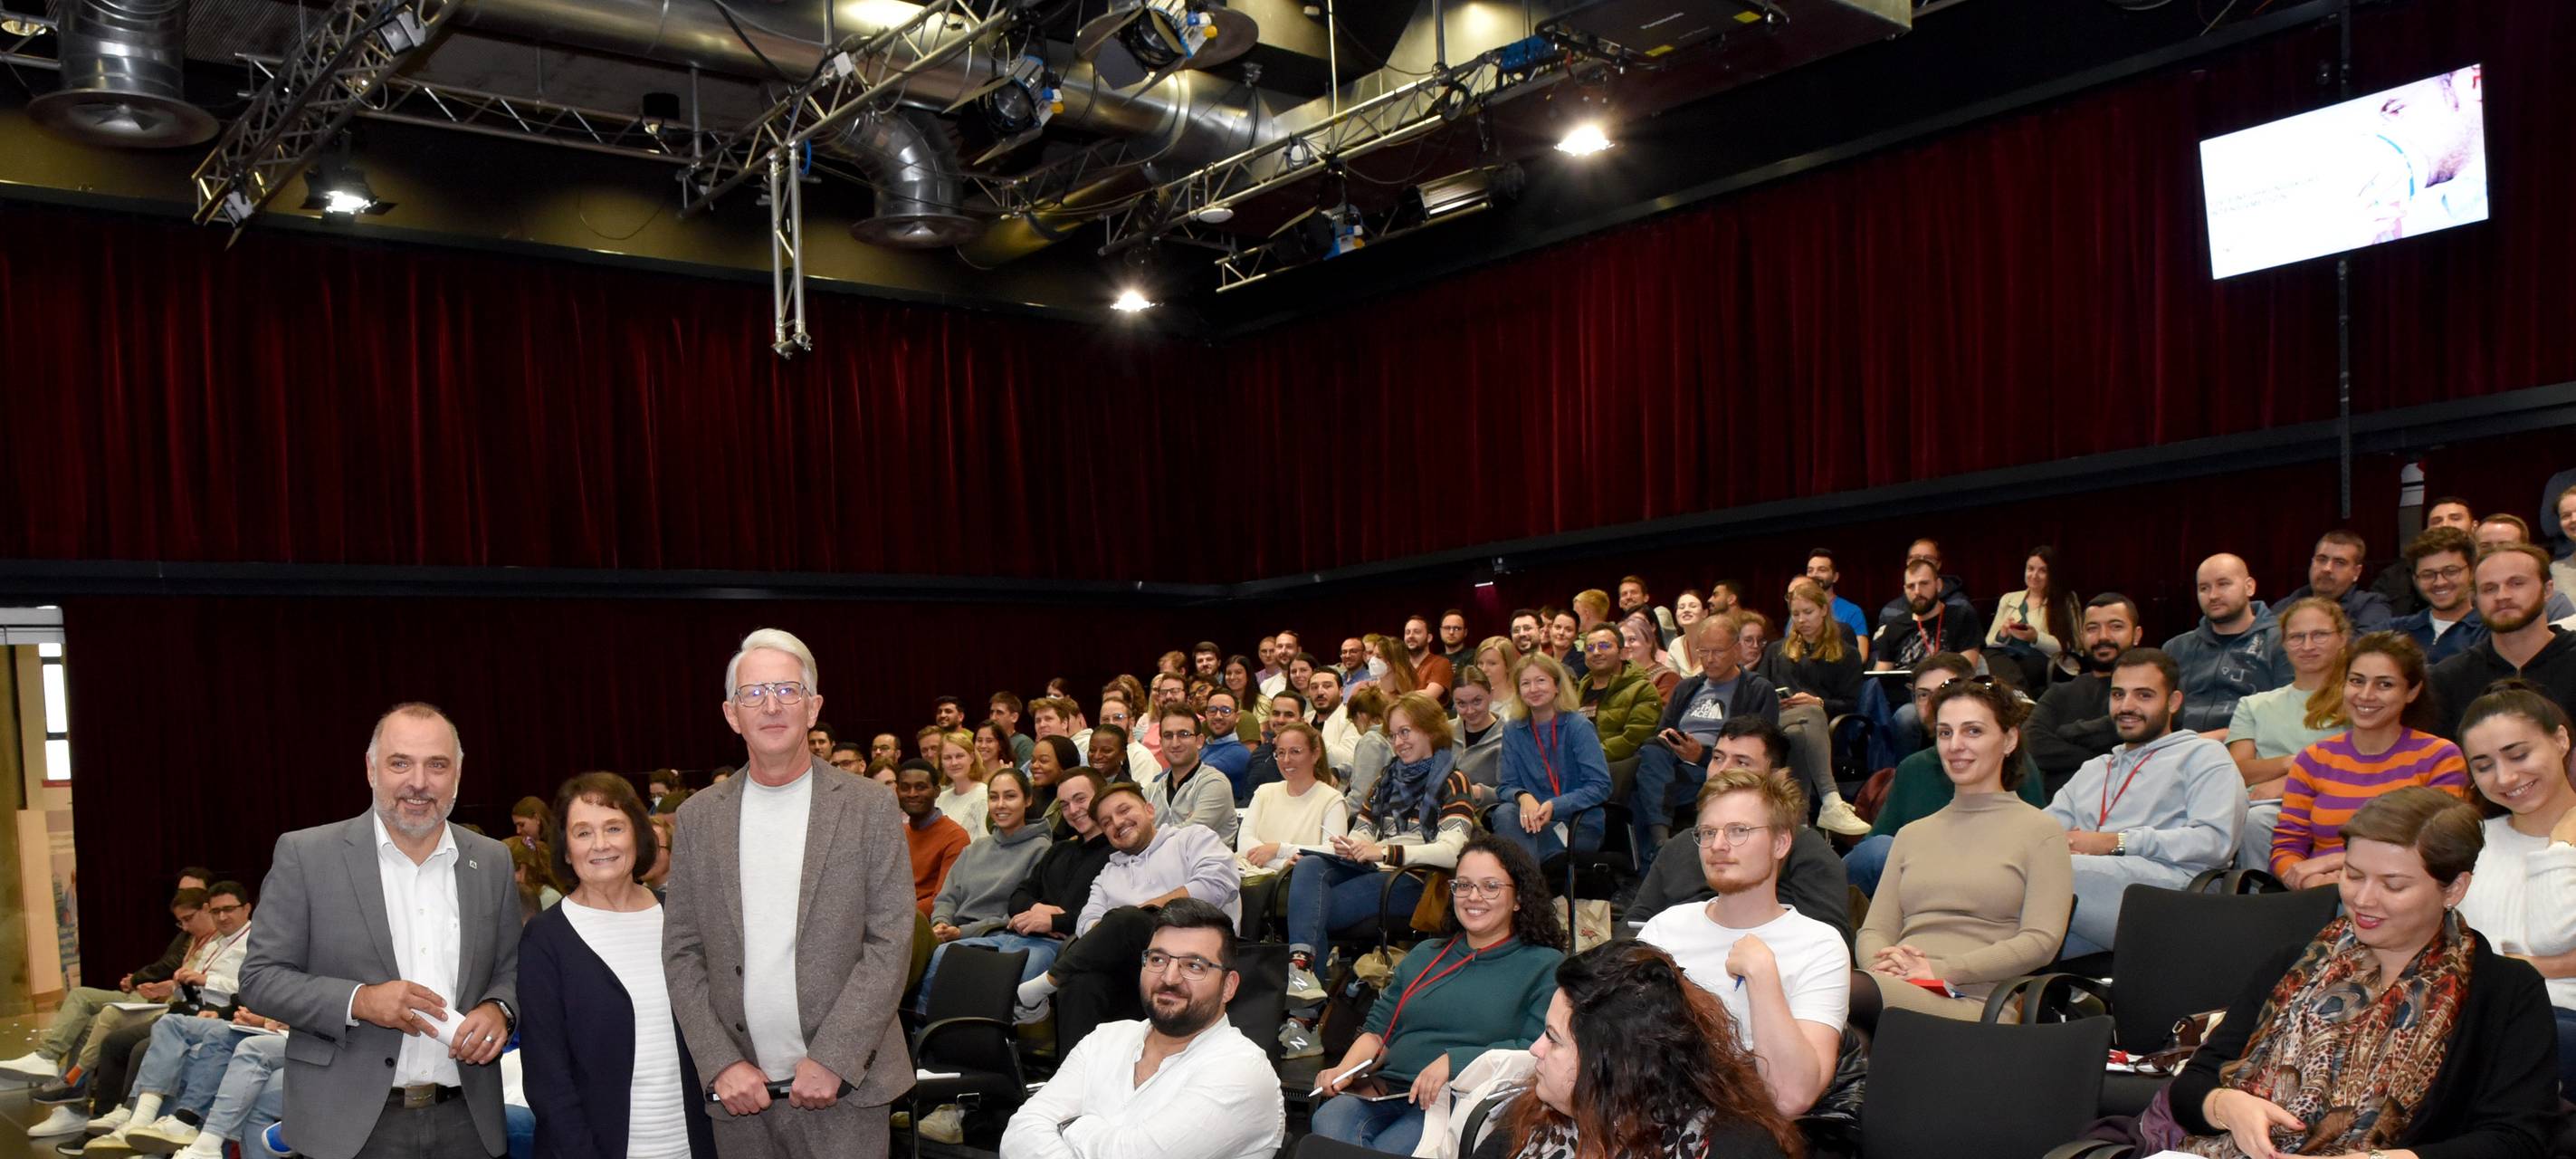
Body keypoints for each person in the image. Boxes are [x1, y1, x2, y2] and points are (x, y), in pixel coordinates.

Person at [2170, 789, 2559, 1159]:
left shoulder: (2505, 991)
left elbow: (2517, 1139)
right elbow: (2195, 1082)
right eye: (2353, 875)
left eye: (2394, 885)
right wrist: (2227, 1105)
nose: (2363, 899)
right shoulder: (2296, 965)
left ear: (2454, 888)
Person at [663, 628, 914, 1159]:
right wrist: (720, 1063)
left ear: (813, 707)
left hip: (846, 1088)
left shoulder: (870, 806)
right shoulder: (697, 819)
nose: (772, 705)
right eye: (753, 693)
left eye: (787, 690)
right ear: (732, 714)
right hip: (740, 1094)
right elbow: (682, 953)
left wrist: (835, 1057)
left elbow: (891, 941)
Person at [238, 703, 520, 1159]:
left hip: (467, 1121)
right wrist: (361, 1001)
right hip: (346, 1126)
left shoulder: (491, 860)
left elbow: (511, 968)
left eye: (437, 765)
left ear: (458, 775)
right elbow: (259, 978)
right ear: (371, 770)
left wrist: (499, 1008)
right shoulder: (306, 855)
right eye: (400, 763)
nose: (419, 782)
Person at [1311, 836, 1566, 1154]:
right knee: (1329, 1120)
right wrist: (1343, 1071)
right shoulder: (1425, 954)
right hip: (1389, 1089)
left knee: (1389, 1148)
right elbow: (1378, 1032)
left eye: (1490, 886)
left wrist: (1454, 1062)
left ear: (1518, 899)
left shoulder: (1544, 965)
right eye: (1464, 885)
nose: (1474, 897)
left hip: (1461, 1097)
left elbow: (1535, 1048)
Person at [1848, 679, 2071, 1029]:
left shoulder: (2041, 832)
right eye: (1945, 733)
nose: (1955, 745)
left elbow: (2041, 941)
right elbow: (1874, 929)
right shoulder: (1912, 834)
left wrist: (1941, 969)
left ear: (2009, 740)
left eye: (1973, 731)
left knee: (1828, 992)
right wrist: (1884, 965)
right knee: (1827, 1005)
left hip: (1977, 1000)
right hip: (1894, 987)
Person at [520, 772, 714, 1159]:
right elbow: (548, 1079)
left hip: (695, 1143)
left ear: (637, 836)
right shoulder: (545, 939)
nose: (601, 844)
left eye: (613, 828)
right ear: (565, 848)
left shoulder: (681, 919)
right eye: (583, 832)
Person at [997, 900, 1284, 1159]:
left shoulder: (1241, 1070)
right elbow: (1019, 1135)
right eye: (1158, 959)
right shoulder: (1105, 1039)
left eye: (1194, 966)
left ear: (1228, 986)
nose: (1169, 978)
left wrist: (1072, 1126)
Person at [1637, 768, 1848, 1116]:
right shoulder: (1664, 929)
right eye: (1708, 832)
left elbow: (1790, 1098)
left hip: (1743, 1126)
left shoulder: (1819, 946)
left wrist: (1763, 976)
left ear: (1781, 843)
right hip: (1653, 1113)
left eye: (1739, 831)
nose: (1718, 845)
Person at [1473, 942, 1799, 1159]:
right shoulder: (1529, 1125)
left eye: (1553, 1038)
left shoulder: (1734, 1148)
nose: (1535, 1049)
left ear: (1614, 1065)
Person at [1280, 693, 1478, 1025]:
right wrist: (1349, 845)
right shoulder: (1385, 780)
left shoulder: (1453, 781)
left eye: (1406, 732)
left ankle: (1304, 1007)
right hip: (1374, 871)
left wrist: (1385, 852)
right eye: (1393, 734)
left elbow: (1451, 851)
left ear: (1431, 729)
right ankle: (1303, 977)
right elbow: (1363, 833)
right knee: (1311, 865)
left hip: (1417, 879)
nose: (1398, 742)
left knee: (1311, 908)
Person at [2041, 648, 2247, 958]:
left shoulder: (2204, 756)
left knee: (2046, 870)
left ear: (2173, 702)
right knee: (1999, 903)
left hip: (2171, 896)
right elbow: (2043, 831)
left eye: (2144, 695)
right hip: (2089, 895)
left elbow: (2215, 842)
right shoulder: (2095, 769)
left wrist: (2114, 842)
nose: (2127, 706)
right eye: (2118, 694)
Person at [1012, 784, 1239, 1052]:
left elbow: (1217, 882)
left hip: (1198, 952)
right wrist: (1116, 927)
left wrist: (1142, 912)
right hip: (1135, 970)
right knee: (1081, 983)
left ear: (1149, 810)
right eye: (1107, 822)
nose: (1117, 823)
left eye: (1124, 810)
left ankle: (1045, 983)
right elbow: (1086, 923)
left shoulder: (1191, 838)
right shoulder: (1107, 873)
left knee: (1129, 919)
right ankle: (1075, 1074)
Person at [1626, 717, 1855, 948]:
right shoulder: (1679, 845)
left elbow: (1830, 942)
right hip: (1669, 961)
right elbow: (1632, 926)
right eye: (1717, 758)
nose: (1722, 770)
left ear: (1775, 776)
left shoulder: (1805, 848)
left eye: (1742, 762)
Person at [2274, 632, 2470, 888]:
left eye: (2384, 685)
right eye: (2357, 681)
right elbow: (2286, 847)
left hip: (2400, 892)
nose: (2366, 695)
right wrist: (2310, 882)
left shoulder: (2440, 757)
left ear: (2412, 692)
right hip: (2320, 894)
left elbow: (2438, 845)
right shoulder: (2313, 759)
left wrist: (2337, 864)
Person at [2454, 683, 2576, 1096]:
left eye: (2519, 755)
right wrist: (2547, 965)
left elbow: (2551, 934)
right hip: (2473, 1020)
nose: (2506, 777)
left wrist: (2560, 848)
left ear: (2561, 740)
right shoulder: (2470, 840)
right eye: (2484, 765)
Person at [1842, 656, 2050, 896]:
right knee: (1876, 851)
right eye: (1923, 695)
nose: (1933, 703)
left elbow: (2034, 848)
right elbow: (1874, 849)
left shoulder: (2016, 765)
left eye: (1973, 731)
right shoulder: (1913, 768)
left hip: (1988, 885)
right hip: (1912, 889)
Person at [1629, 614, 1784, 850]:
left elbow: (1760, 750)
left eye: (1718, 652)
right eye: (1703, 651)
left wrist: (1702, 755)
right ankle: (1660, 845)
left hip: (1717, 769)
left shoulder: (1757, 689)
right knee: (1651, 751)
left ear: (1736, 650)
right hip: (1671, 763)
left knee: (1643, 790)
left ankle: (1658, 849)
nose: (1709, 659)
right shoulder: (1687, 687)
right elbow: (1662, 731)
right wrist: (1672, 741)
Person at [2224, 598, 2350, 868]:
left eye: (2319, 635)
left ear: (2341, 639)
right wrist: (2290, 763)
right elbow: (2238, 771)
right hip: (2266, 807)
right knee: (2252, 820)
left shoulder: (2357, 700)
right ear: (2283, 643)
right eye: (2296, 637)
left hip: (2337, 802)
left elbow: (2360, 761)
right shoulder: (2254, 705)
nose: (2307, 646)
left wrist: (2293, 779)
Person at [921, 770, 1054, 1001]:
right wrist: (941, 923)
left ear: (1028, 800)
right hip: (953, 932)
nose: (1000, 805)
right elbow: (947, 897)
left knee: (942, 955)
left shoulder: (1041, 850)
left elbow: (1020, 913)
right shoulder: (974, 849)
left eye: (1010, 796)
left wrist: (962, 932)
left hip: (999, 935)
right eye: (993, 797)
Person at [1753, 580, 1871, 837]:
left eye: (1808, 612)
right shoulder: (1776, 650)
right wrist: (1778, 700)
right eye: (1795, 614)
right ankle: (1831, 799)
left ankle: (1800, 824)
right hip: (1777, 721)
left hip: (1822, 730)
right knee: (1807, 717)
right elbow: (1759, 691)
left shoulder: (1847, 654)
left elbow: (1850, 703)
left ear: (1824, 610)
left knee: (1801, 730)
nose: (1801, 620)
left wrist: (1819, 703)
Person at [981, 771, 1114, 988]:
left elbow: (1108, 920)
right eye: (1064, 805)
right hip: (1019, 936)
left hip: (1065, 946)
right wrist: (1038, 910)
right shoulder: (1059, 850)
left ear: (1102, 797)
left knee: (1020, 967)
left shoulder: (1117, 855)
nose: (1073, 810)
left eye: (1080, 799)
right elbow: (1017, 897)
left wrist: (1053, 921)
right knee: (945, 953)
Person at [2428, 542, 2576, 738]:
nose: (2502, 596)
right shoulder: (2449, 679)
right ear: (2475, 599)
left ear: (2547, 590)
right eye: (2489, 589)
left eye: (2516, 583)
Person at [2024, 592, 2149, 792]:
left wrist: (2067, 733)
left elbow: (2147, 739)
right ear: (2081, 636)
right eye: (2092, 628)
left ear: (2136, 635)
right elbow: (2031, 744)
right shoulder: (2060, 693)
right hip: (2061, 806)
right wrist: (2108, 760)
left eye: (2116, 626)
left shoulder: (2151, 691)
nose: (2103, 636)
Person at [1494, 652, 1612, 863]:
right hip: (1532, 822)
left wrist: (1555, 805)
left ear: (1557, 686)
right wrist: (1523, 797)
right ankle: (1527, 880)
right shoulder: (1513, 730)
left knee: (1508, 850)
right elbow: (1506, 786)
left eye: (1540, 680)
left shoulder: (1578, 726)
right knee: (1504, 814)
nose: (1533, 689)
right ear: (1519, 692)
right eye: (1525, 683)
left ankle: (1524, 881)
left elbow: (1600, 786)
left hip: (1576, 825)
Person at [2164, 552, 2293, 733]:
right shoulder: (2176, 648)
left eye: (2223, 584)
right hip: (2183, 745)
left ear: (2249, 587)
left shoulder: (2283, 641)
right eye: (2204, 588)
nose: (2213, 595)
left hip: (2252, 744)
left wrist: (2220, 738)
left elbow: (2290, 713)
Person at [1235, 721, 1349, 878]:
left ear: (1315, 755)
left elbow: (1333, 851)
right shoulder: (1264, 792)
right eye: (1281, 753)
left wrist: (1279, 849)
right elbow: (1244, 842)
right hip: (1250, 876)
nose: (1286, 760)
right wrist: (1281, 863)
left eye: (1295, 752)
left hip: (1296, 882)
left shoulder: (1332, 800)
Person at [1986, 545, 2083, 687]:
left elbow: (2074, 647)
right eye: (2030, 569)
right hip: (2009, 659)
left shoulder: (2066, 601)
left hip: (2043, 661)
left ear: (2053, 574)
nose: (2034, 575)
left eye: (2042, 571)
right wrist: (2003, 634)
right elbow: (1989, 641)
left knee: (2028, 665)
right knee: (1988, 655)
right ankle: (2018, 693)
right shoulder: (2009, 598)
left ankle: (2015, 693)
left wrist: (2035, 637)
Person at [1142, 706, 1239, 844]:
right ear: (1161, 744)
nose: (1175, 743)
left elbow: (1191, 834)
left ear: (1199, 741)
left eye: (1183, 734)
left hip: (1206, 858)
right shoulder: (1150, 792)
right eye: (1168, 736)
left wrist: (1149, 835)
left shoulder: (1215, 784)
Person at [2393, 526, 2487, 665]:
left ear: (2472, 572)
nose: (2440, 582)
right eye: (2427, 575)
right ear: (2415, 579)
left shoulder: (2490, 634)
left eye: (2451, 571)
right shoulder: (2395, 630)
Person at [1874, 556, 1981, 674]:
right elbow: (1881, 675)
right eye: (1911, 586)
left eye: (1924, 583)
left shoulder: (1962, 616)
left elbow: (1967, 670)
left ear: (1938, 585)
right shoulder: (1894, 626)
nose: (1917, 592)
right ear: (1905, 590)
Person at [1573, 624, 1664, 762]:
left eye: (1604, 646)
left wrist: (1589, 756)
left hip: (1615, 766)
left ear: (1622, 653)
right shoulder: (1577, 691)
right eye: (1590, 648)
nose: (1596, 652)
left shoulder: (1642, 690)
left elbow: (1633, 739)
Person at [2281, 529, 2396, 635]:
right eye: (2321, 559)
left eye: (2339, 563)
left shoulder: (2371, 606)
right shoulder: (2285, 606)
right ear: (2312, 563)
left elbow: (2365, 646)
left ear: (2356, 572)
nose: (2327, 568)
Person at [895, 761, 969, 915]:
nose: (912, 794)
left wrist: (894, 916)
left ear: (936, 791)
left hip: (925, 923)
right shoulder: (897, 834)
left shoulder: (955, 837)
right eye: (905, 788)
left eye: (921, 787)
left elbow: (943, 900)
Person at [1449, 666, 1508, 806]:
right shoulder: (1445, 731)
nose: (1470, 711)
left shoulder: (1508, 738)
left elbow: (1513, 791)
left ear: (1491, 695)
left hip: (1481, 812)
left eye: (1477, 701)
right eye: (1461, 704)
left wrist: (1478, 792)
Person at [1802, 550, 1874, 658]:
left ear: (1835, 577)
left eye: (1822, 570)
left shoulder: (1852, 612)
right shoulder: (1799, 611)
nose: (1814, 575)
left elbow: (1861, 656)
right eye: (1810, 570)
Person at [929, 729, 989, 835]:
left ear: (972, 758)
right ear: (941, 762)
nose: (954, 763)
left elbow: (987, 841)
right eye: (947, 758)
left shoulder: (983, 795)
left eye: (959, 756)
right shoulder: (941, 799)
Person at [1196, 691, 1254, 794]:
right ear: (1206, 714)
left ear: (1237, 717)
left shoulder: (1239, 753)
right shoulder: (1205, 747)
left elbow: (1193, 774)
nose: (1218, 716)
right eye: (1212, 710)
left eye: (1225, 711)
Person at [1618, 612, 1681, 698]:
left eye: (1632, 639)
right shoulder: (1617, 676)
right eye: (1622, 641)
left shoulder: (1666, 677)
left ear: (1649, 642)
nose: (1625, 645)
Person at [1310, 667, 1359, 772]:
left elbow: (1350, 761)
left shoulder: (1352, 719)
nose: (1319, 692)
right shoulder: (1305, 718)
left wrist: (1313, 737)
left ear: (1341, 691)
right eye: (1314, 687)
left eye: (1327, 686)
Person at [1404, 615, 1455, 702]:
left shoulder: (1441, 663)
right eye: (1407, 632)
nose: (1411, 636)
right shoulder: (1399, 665)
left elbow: (1430, 695)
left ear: (1429, 638)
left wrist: (1398, 696)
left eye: (1417, 632)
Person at [1666, 589, 1707, 675]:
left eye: (1693, 606)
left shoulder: (1716, 642)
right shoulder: (1675, 645)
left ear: (1705, 613)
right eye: (1681, 607)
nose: (1686, 610)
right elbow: (1671, 679)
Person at [1438, 610, 1474, 675]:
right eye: (1447, 628)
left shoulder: (1474, 657)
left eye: (1457, 629)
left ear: (1465, 632)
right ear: (1440, 631)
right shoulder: (1435, 661)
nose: (1451, 632)